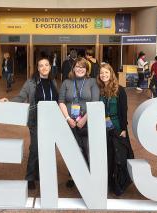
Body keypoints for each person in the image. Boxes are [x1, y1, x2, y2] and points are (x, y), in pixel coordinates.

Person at [0, 57, 58, 190]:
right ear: (37, 68)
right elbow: (21, 96)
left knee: (48, 148)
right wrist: (9, 101)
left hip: (51, 121)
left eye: (46, 65)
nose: (44, 68)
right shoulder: (31, 82)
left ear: (50, 67)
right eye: (41, 65)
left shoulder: (53, 81)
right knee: (35, 148)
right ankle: (30, 176)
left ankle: (41, 174)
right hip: (36, 120)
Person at [58, 57, 100, 188]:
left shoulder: (92, 82)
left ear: (87, 69)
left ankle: (88, 175)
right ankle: (73, 175)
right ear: (73, 68)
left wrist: (84, 119)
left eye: (83, 67)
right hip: (70, 122)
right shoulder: (66, 82)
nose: (80, 69)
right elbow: (61, 102)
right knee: (73, 149)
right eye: (77, 66)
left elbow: (95, 102)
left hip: (87, 121)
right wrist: (68, 119)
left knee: (87, 148)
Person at [96, 62, 134, 196]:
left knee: (118, 156)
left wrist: (124, 128)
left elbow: (124, 110)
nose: (104, 75)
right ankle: (106, 182)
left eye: (106, 72)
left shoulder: (119, 89)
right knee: (107, 155)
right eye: (101, 73)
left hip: (117, 127)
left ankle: (118, 183)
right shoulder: (99, 89)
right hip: (102, 127)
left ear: (111, 73)